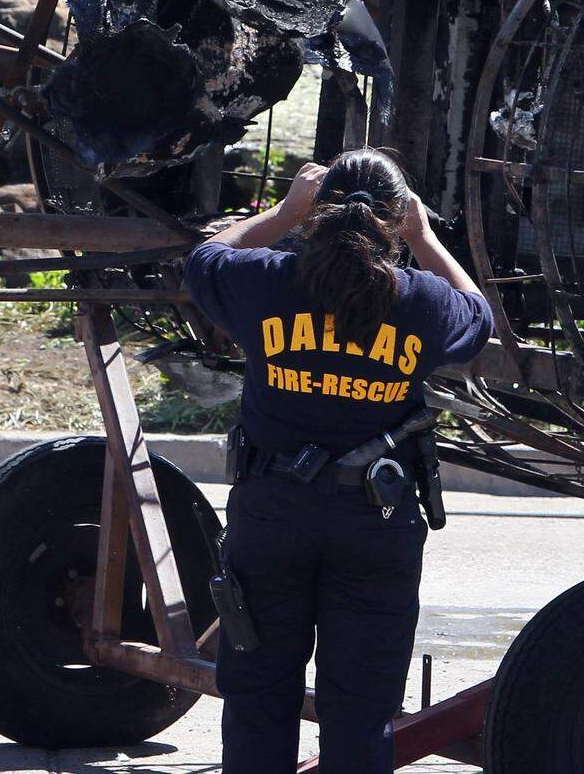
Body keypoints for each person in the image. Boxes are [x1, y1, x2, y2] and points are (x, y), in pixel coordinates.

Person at [182, 148, 493, 774]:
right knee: (362, 708)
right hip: (375, 522)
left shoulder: (267, 282)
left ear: (316, 218)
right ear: (394, 219)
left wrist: (282, 209)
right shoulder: (419, 302)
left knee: (259, 694)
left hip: (271, 515)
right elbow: (479, 317)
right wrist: (425, 238)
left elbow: (204, 259)